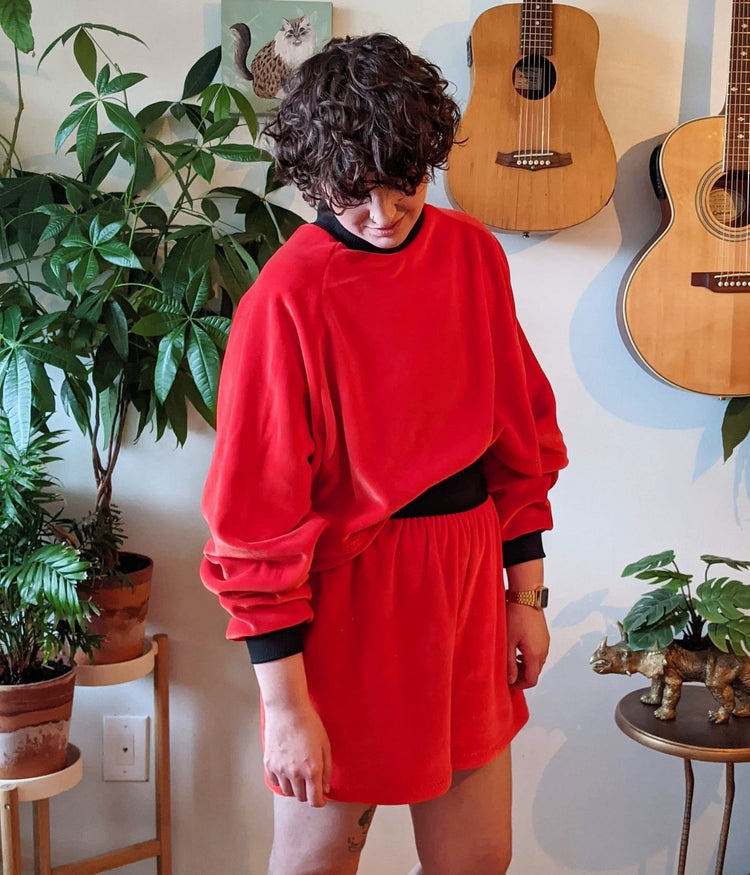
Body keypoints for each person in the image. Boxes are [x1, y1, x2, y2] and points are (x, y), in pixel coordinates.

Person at [201, 32, 567, 875]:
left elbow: (519, 438)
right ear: (313, 180)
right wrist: (284, 705)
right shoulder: (286, 297)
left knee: (478, 858)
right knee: (319, 859)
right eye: (353, 192)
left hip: (467, 582)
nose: (382, 212)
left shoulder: (471, 255)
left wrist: (527, 593)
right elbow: (253, 523)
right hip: (352, 605)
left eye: (403, 183)